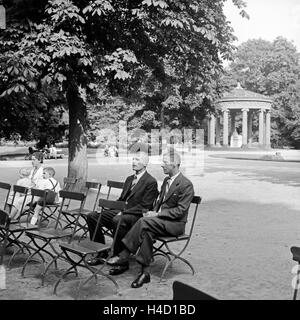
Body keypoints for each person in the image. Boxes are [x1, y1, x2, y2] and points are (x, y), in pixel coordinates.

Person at [107, 150, 194, 288]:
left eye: (165, 163)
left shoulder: (186, 184)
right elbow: (160, 203)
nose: (162, 165)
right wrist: (153, 212)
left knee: (143, 222)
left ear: (175, 164)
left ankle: (124, 254)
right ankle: (145, 273)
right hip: (159, 222)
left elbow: (180, 211)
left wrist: (157, 214)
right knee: (146, 231)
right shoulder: (166, 180)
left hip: (175, 225)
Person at [86, 151, 159, 272]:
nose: (133, 162)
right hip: (121, 212)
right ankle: (101, 252)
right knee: (92, 216)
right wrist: (107, 209)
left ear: (145, 163)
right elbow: (121, 199)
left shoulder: (151, 182)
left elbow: (145, 206)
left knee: (118, 220)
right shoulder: (129, 179)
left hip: (136, 216)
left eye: (137, 160)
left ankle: (121, 260)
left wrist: (124, 211)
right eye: (133, 159)